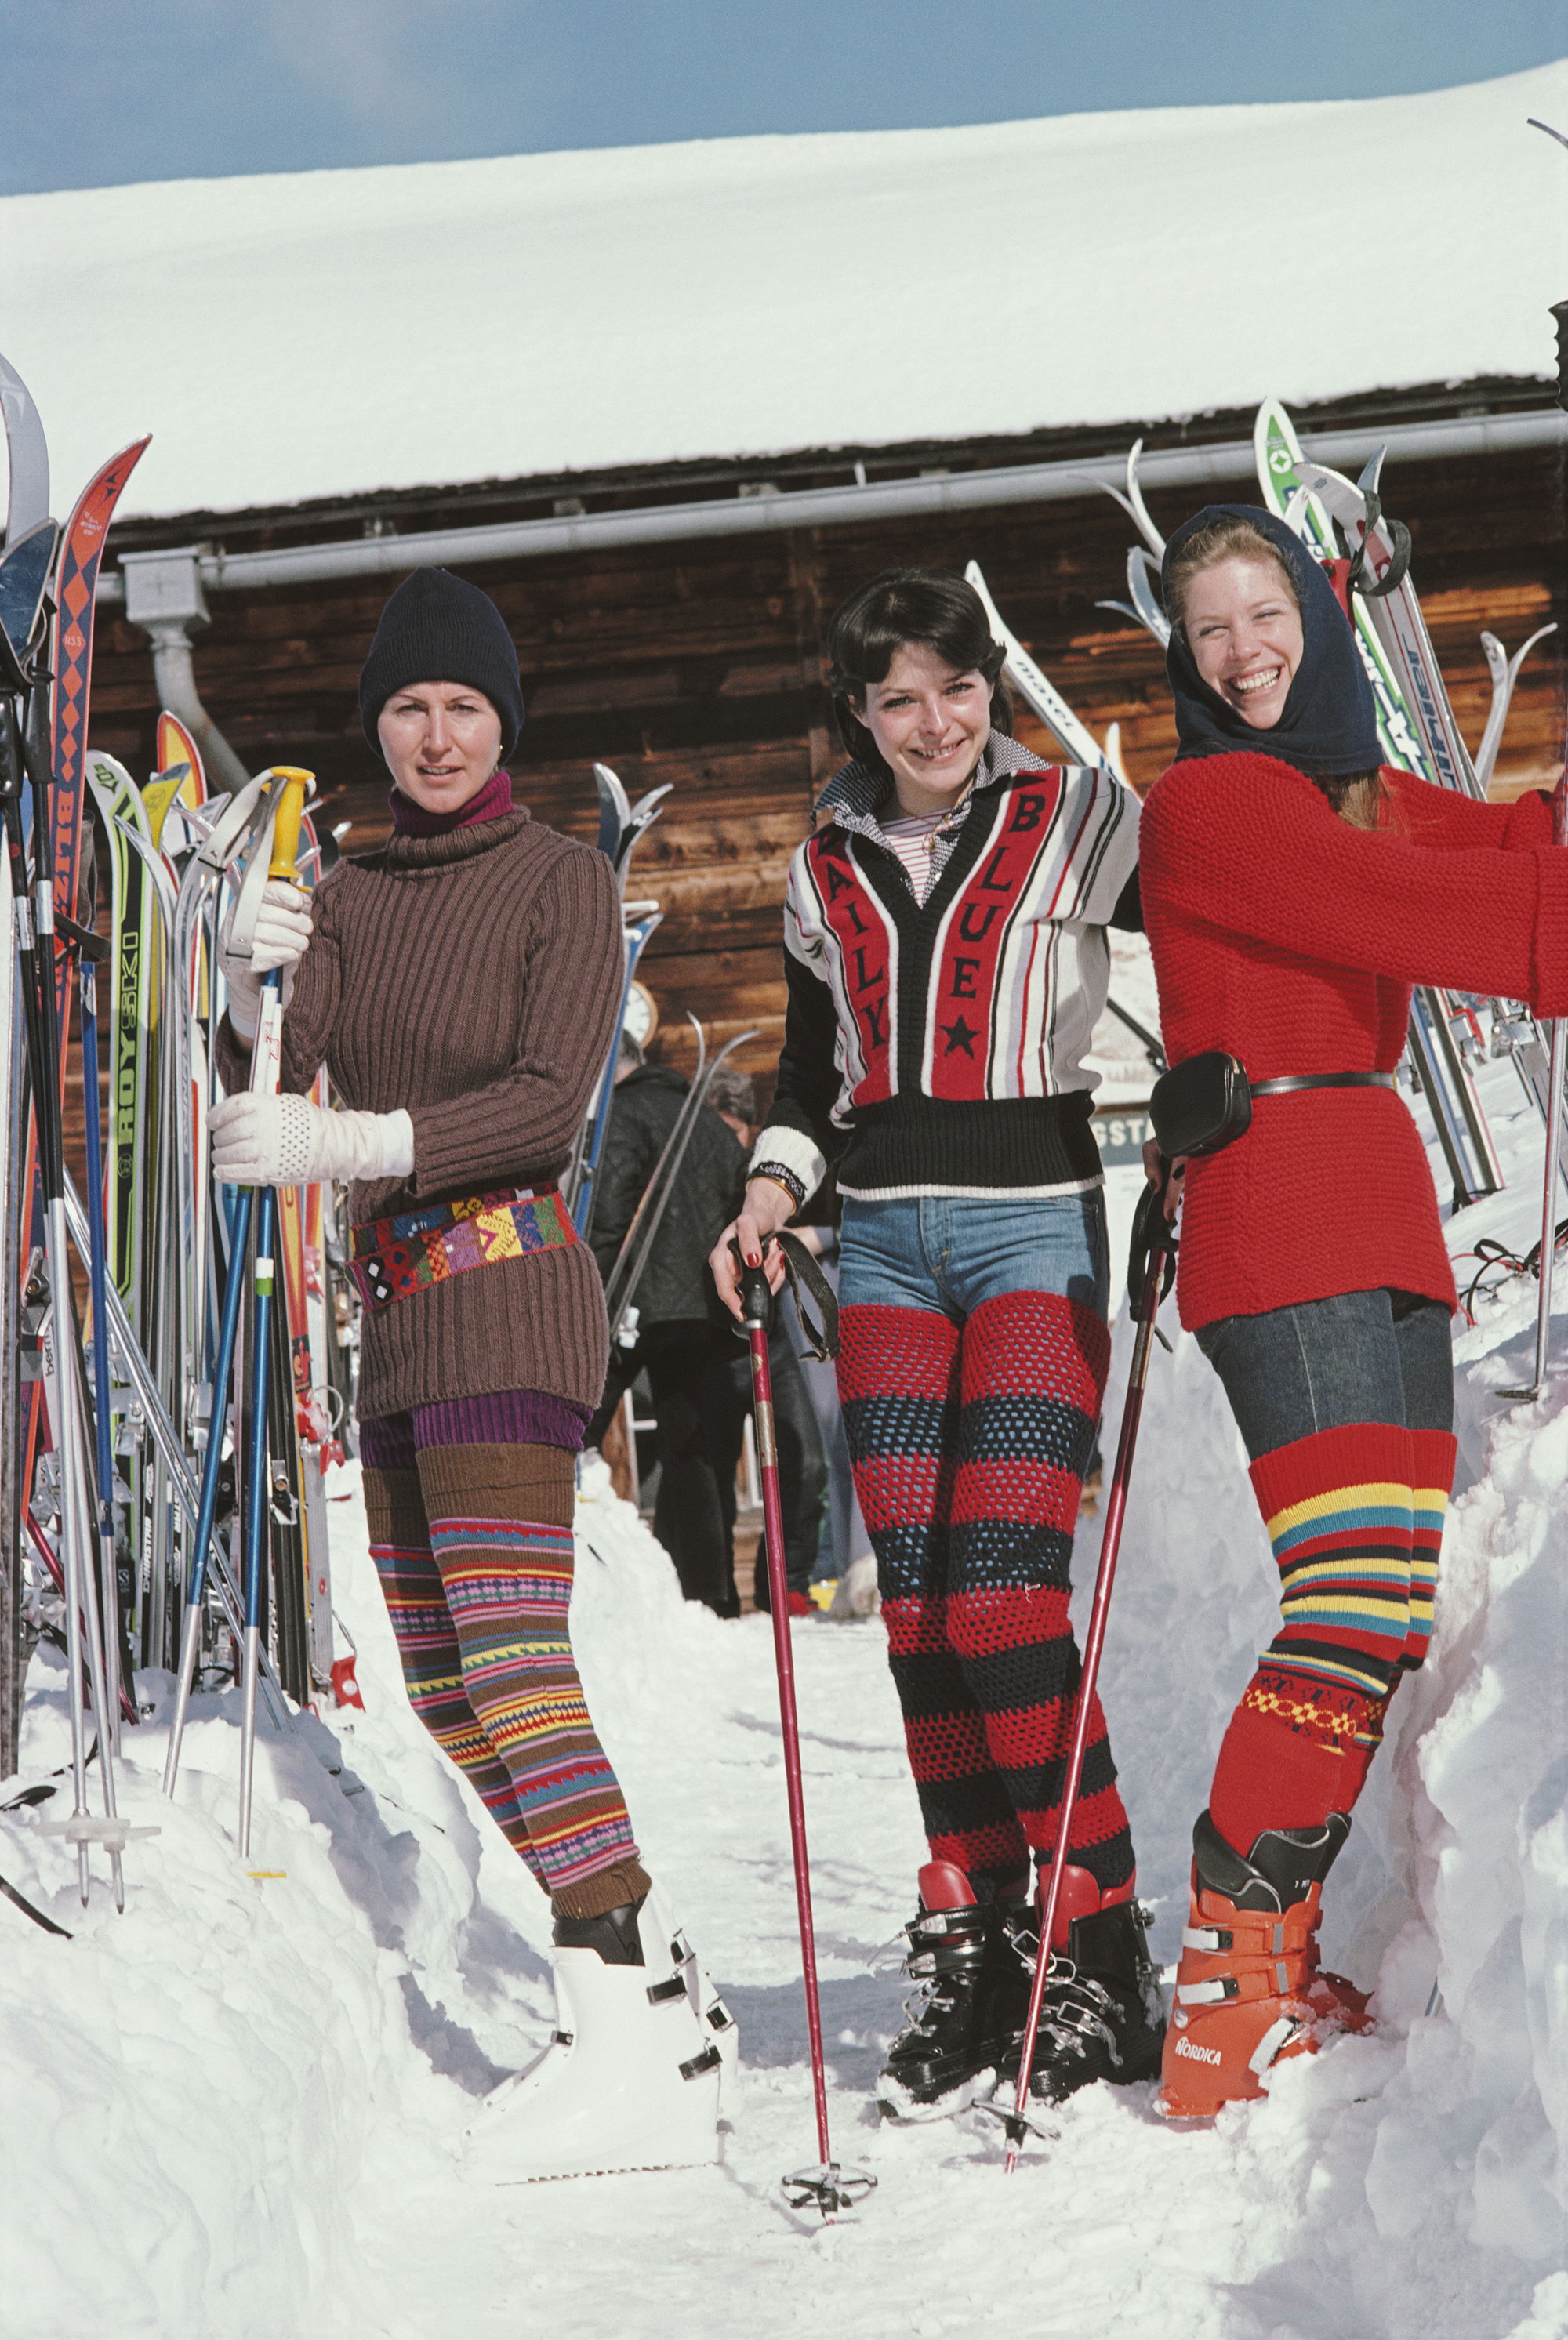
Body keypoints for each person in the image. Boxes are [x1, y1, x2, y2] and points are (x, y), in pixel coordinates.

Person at [207, 565, 733, 2182]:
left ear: (503, 718)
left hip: (512, 1296)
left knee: (512, 1660)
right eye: (408, 706)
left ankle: (627, 2014)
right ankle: (644, 1986)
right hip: (397, 1320)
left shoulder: (559, 877)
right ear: (379, 724)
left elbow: (544, 1103)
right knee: (444, 1682)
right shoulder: (351, 888)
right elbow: (284, 1084)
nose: (435, 733)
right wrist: (245, 987)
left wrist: (354, 1140)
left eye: (463, 705)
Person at [710, 566, 1161, 2119]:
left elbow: (1225, 903)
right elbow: (809, 1063)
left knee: (997, 1591)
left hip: (1036, 1219)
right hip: (885, 1240)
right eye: (898, 697)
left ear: (988, 687)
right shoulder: (813, 867)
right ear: (857, 713)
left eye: (955, 687)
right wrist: (768, 1192)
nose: (935, 721)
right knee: (914, 1608)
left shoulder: (1082, 818)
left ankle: (1094, 1929)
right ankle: (977, 1929)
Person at [1138, 506, 1568, 2117]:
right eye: (1212, 631)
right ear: (1185, 661)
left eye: (1267, 614)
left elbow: (1493, 850)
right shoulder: (1206, 805)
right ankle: (1223, 1995)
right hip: (1277, 1211)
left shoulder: (1343, 789)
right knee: (1342, 1600)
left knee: (1383, 1605)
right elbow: (1437, 919)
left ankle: (1265, 1956)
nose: (1246, 649)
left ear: (1317, 617)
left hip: (1369, 1203)